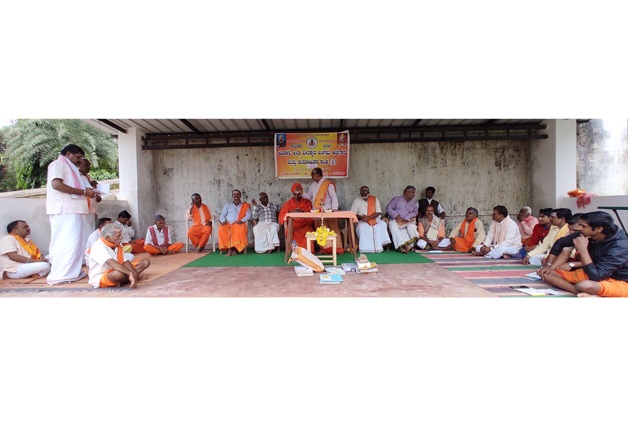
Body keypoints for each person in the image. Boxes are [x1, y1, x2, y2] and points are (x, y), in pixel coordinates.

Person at [539, 211, 628, 297]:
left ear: (599, 229)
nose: (579, 228)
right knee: (546, 273)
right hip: (593, 273)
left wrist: (583, 249)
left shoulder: (620, 246)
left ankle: (588, 292)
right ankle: (586, 293)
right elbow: (560, 242)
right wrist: (548, 265)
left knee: (584, 285)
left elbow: (596, 277)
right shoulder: (586, 234)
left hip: (619, 280)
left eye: (583, 226)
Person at [46, 144, 97, 285]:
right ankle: (60, 275)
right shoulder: (58, 164)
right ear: (68, 154)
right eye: (78, 157)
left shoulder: (71, 168)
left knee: (75, 243)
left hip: (72, 210)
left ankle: (72, 273)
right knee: (65, 242)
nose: (80, 160)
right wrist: (84, 192)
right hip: (64, 209)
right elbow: (56, 185)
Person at [88, 223, 150, 288]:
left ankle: (124, 280)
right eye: (118, 236)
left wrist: (133, 273)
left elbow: (124, 261)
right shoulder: (98, 246)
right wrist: (130, 273)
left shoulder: (116, 244)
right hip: (102, 276)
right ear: (108, 238)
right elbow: (111, 262)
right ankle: (125, 279)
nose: (121, 237)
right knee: (119, 274)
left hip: (117, 269)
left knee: (145, 262)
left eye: (121, 235)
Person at [302, 167, 344, 255]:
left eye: (312, 174)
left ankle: (337, 248)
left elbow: (333, 197)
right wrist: (302, 193)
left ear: (318, 174)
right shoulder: (313, 185)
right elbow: (309, 196)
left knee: (333, 229)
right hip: (317, 211)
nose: (311, 175)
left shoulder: (328, 184)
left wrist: (334, 209)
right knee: (321, 230)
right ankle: (326, 248)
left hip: (328, 211)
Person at [349, 186, 390, 253]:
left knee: (382, 224)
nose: (364, 192)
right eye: (362, 191)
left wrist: (369, 217)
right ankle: (365, 248)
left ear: (368, 192)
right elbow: (353, 214)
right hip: (362, 220)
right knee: (362, 228)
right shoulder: (356, 201)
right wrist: (361, 217)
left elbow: (378, 212)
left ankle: (379, 246)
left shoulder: (374, 199)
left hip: (375, 219)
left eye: (365, 191)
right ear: (360, 192)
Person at [278, 183, 315, 248]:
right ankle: (295, 251)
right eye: (295, 194)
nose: (297, 196)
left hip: (305, 225)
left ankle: (308, 251)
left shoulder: (307, 202)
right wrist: (290, 212)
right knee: (290, 231)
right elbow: (281, 217)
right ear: (292, 193)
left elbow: (311, 215)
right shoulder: (288, 204)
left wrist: (303, 213)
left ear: (302, 193)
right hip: (293, 226)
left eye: (298, 194)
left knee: (309, 230)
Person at [385, 186, 420, 253]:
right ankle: (401, 246)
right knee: (393, 226)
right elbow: (388, 208)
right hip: (395, 220)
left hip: (406, 221)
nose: (414, 194)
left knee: (412, 226)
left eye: (414, 193)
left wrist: (406, 218)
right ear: (407, 192)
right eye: (412, 192)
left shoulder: (412, 202)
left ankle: (410, 245)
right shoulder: (396, 199)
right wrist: (397, 216)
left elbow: (415, 212)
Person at [218, 189, 251, 256]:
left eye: (237, 194)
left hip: (239, 223)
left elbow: (248, 215)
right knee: (221, 229)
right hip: (228, 223)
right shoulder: (227, 205)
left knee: (238, 229)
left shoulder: (244, 205)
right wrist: (223, 221)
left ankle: (233, 249)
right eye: (234, 194)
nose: (236, 195)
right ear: (232, 196)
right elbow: (222, 215)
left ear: (240, 196)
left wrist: (242, 220)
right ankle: (230, 248)